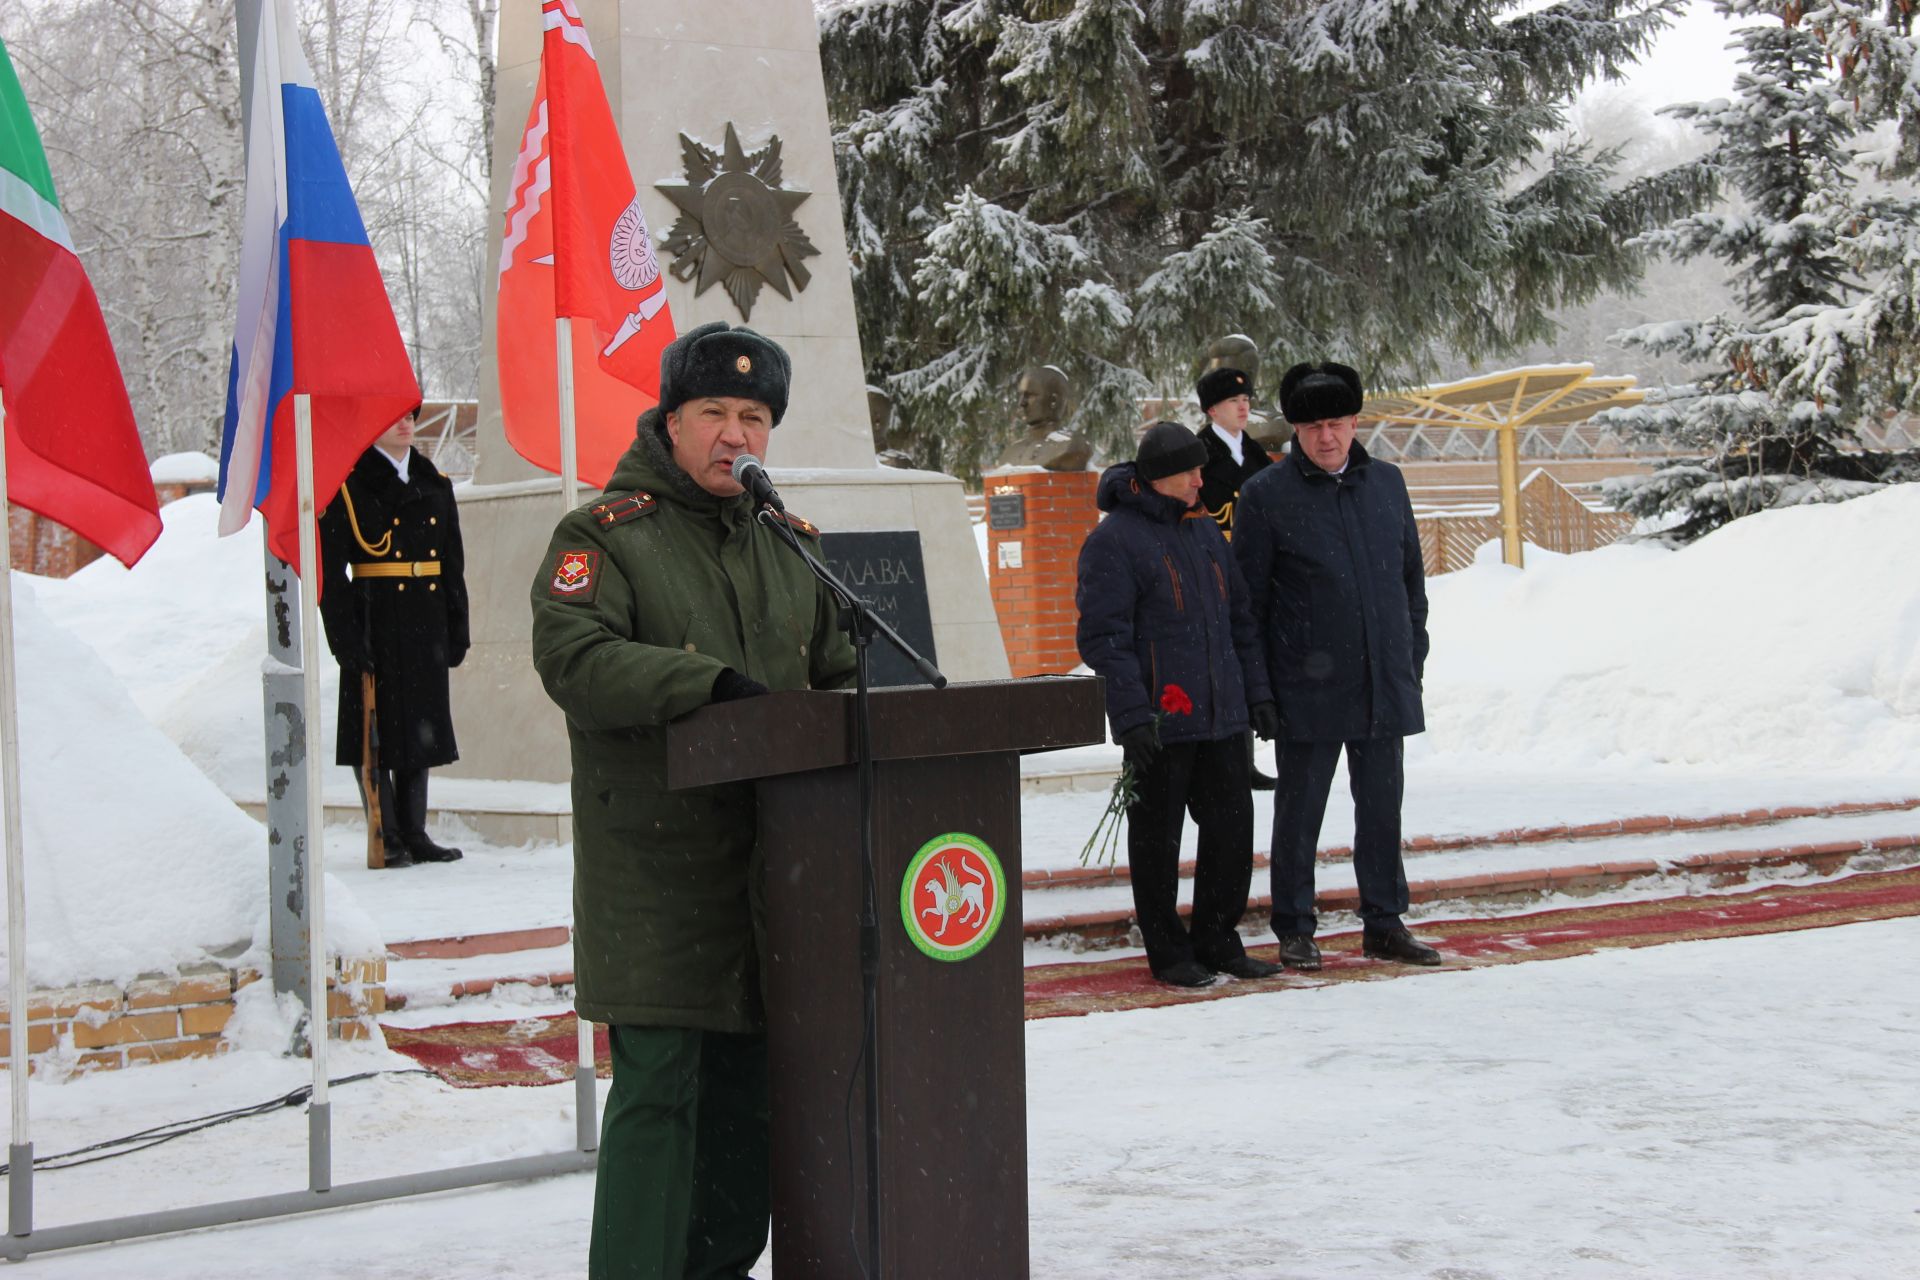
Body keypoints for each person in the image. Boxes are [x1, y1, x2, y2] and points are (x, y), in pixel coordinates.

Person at [528, 321, 857, 1280]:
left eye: (753, 417)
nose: (734, 434)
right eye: (712, 411)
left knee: (747, 1105)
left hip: (778, 875)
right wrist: (708, 688)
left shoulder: (791, 545)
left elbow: (838, 669)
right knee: (662, 1100)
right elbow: (575, 659)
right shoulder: (602, 535)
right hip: (659, 881)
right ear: (670, 421)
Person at [1233, 362, 1442, 971]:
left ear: (1356, 421)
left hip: (1384, 680)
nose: (1327, 437)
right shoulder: (1265, 497)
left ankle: (1384, 920)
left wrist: (1411, 656)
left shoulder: (1388, 484)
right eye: (1313, 426)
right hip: (1306, 687)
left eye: (1337, 423)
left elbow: (1411, 585)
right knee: (1300, 812)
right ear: (1296, 430)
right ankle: (1295, 925)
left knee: (1382, 807)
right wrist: (1260, 690)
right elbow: (1248, 605)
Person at [1075, 421, 1282, 988]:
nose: (1200, 478)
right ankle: (1168, 952)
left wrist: (1257, 695)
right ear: (1161, 476)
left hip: (1223, 720)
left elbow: (1240, 620)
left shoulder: (1204, 531)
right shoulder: (1113, 542)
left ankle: (1218, 939)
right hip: (1161, 724)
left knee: (1231, 835)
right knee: (1157, 843)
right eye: (1191, 470)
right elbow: (1103, 639)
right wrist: (1133, 716)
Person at [319, 405, 468, 868]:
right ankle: (386, 833)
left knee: (418, 732)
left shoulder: (436, 484)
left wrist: (456, 627)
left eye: (411, 415)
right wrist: (345, 638)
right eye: (393, 416)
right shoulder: (348, 486)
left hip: (424, 621)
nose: (405, 423)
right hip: (375, 620)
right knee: (375, 733)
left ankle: (415, 832)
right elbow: (331, 574)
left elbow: (452, 566)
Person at [1196, 365, 1279, 792]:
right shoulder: (1198, 453)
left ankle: (1247, 757)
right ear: (1212, 409)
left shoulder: (1258, 455)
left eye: (1246, 400)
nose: (1244, 406)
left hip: (1256, 572)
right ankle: (1230, 760)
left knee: (1252, 661)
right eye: (1233, 401)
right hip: (1215, 572)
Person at [993, 364, 1092, 470]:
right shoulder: (1011, 451)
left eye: (1030, 395)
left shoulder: (1072, 446)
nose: (1022, 403)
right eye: (1021, 395)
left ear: (1054, 401)